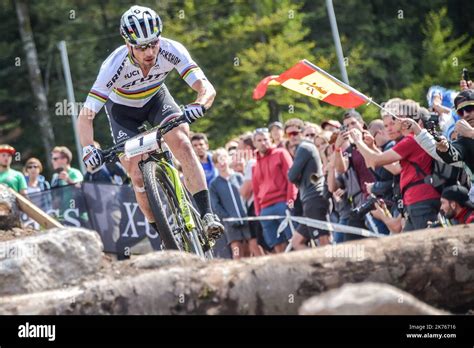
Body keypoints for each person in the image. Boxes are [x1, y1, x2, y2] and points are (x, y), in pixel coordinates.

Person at [77, 5, 223, 238]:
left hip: (157, 99)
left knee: (182, 142)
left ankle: (207, 215)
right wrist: (87, 148)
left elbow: (205, 87)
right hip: (122, 112)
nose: (150, 52)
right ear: (128, 44)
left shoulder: (171, 49)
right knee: (135, 171)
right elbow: (86, 115)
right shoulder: (113, 66)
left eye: (153, 43)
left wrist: (200, 104)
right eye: (141, 46)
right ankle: (164, 234)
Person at [350, 103, 441, 232]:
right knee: (409, 247)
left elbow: (374, 161)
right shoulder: (411, 139)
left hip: (420, 200)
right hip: (415, 200)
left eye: (397, 117)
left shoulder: (411, 140)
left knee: (425, 246)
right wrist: (372, 147)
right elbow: (395, 168)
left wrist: (358, 141)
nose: (395, 120)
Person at [285, 118, 329, 248]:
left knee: (323, 241)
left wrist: (296, 179)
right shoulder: (305, 148)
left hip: (314, 198)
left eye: (295, 133)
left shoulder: (304, 148)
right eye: (289, 134)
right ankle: (316, 266)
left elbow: (291, 176)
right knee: (296, 242)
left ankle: (330, 267)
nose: (293, 137)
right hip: (310, 199)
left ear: (302, 132)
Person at [252, 128, 297, 253]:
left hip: (283, 203)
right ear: (254, 143)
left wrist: (290, 201)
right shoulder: (254, 164)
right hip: (265, 209)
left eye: (265, 139)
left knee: (294, 240)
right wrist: (258, 211)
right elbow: (256, 191)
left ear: (271, 140)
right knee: (276, 244)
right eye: (259, 140)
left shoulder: (281, 153)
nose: (263, 142)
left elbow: (291, 179)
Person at [209, 148, 251, 259]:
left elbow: (247, 195)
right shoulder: (214, 184)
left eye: (223, 159)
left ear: (228, 159)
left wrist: (247, 212)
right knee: (236, 249)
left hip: (246, 219)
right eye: (217, 161)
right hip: (231, 224)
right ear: (215, 165)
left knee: (249, 249)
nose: (221, 163)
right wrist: (228, 218)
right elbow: (216, 206)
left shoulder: (238, 177)